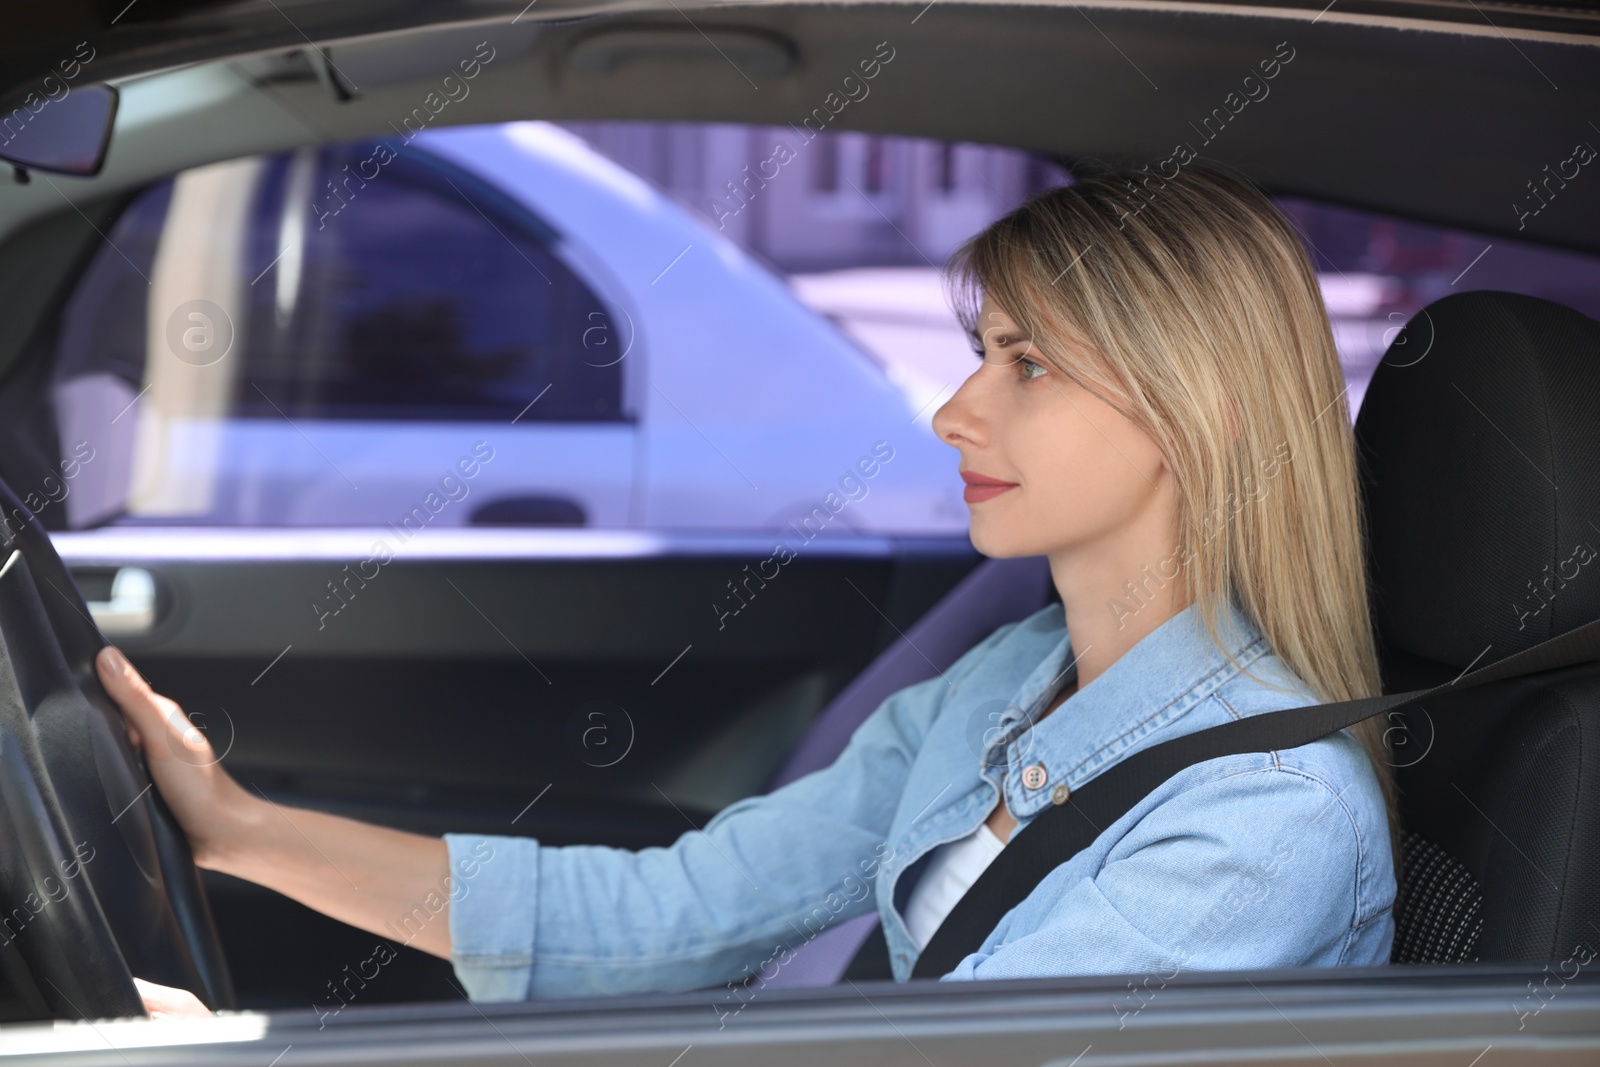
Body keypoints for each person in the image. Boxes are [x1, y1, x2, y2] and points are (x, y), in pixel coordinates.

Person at [105, 161, 1396, 1012]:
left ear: (1204, 407)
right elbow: (679, 915)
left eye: (1029, 364)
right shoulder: (1009, 685)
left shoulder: (1263, 820)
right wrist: (239, 831)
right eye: (975, 354)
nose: (953, 412)